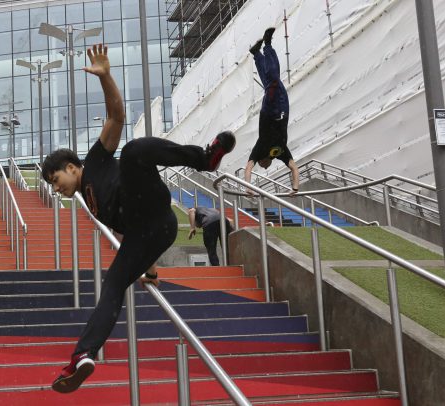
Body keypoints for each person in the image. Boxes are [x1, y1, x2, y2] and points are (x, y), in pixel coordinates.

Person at [41, 43, 235, 393]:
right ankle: (84, 355)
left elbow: (116, 116)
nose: (57, 190)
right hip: (152, 232)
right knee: (112, 285)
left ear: (71, 167)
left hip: (150, 201)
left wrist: (105, 77)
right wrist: (149, 268)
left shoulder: (96, 160)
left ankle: (203, 159)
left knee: (132, 151)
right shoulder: (85, 200)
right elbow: (129, 236)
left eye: (57, 181)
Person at [244, 27, 300, 195]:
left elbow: (247, 169)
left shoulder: (259, 150)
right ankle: (257, 54)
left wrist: (248, 188)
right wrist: (295, 188)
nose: (264, 167)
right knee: (270, 81)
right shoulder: (280, 153)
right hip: (283, 109)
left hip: (269, 112)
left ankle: (267, 44)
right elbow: (294, 168)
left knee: (273, 80)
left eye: (261, 166)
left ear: (261, 161)